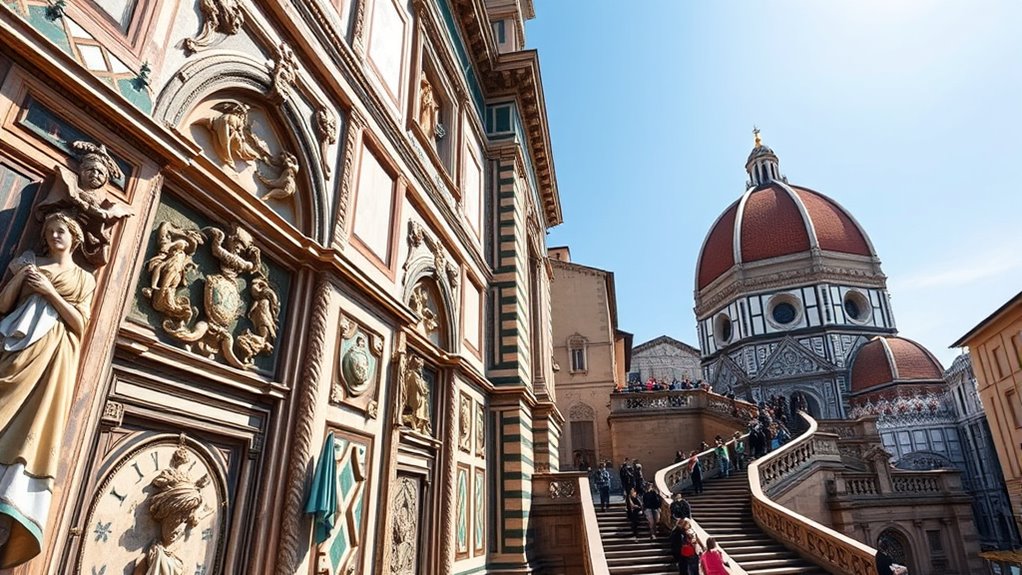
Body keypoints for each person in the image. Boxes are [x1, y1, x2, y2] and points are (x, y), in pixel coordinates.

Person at [0, 212, 95, 568]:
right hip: (16, 351)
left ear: (74, 237)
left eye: (61, 231)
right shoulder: (29, 262)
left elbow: (80, 322)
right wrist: (22, 277)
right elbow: (4, 305)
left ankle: (11, 503)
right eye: (50, 231)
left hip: (53, 355)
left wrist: (49, 291)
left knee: (35, 420)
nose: (55, 235)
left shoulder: (84, 278)